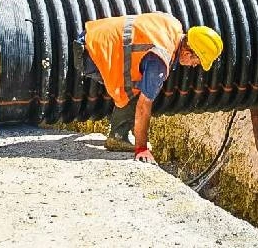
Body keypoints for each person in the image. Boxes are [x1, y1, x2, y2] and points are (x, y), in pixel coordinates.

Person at [74, 12, 223, 163]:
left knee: (136, 81)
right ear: (187, 52)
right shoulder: (159, 62)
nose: (194, 66)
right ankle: (118, 137)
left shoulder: (173, 25)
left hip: (91, 36)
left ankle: (122, 131)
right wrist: (142, 148)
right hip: (90, 54)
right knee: (136, 91)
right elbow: (143, 107)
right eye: (196, 61)